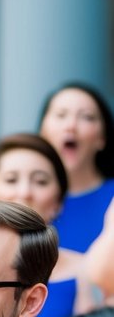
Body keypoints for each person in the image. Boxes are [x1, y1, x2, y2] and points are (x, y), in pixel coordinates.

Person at [0, 132, 97, 317]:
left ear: (58, 201)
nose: (25, 192)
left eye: (41, 181)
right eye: (11, 179)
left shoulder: (88, 269)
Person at [38, 82, 114, 251]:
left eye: (86, 117)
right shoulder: (24, 197)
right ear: (42, 131)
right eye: (61, 115)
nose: (71, 126)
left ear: (102, 137)